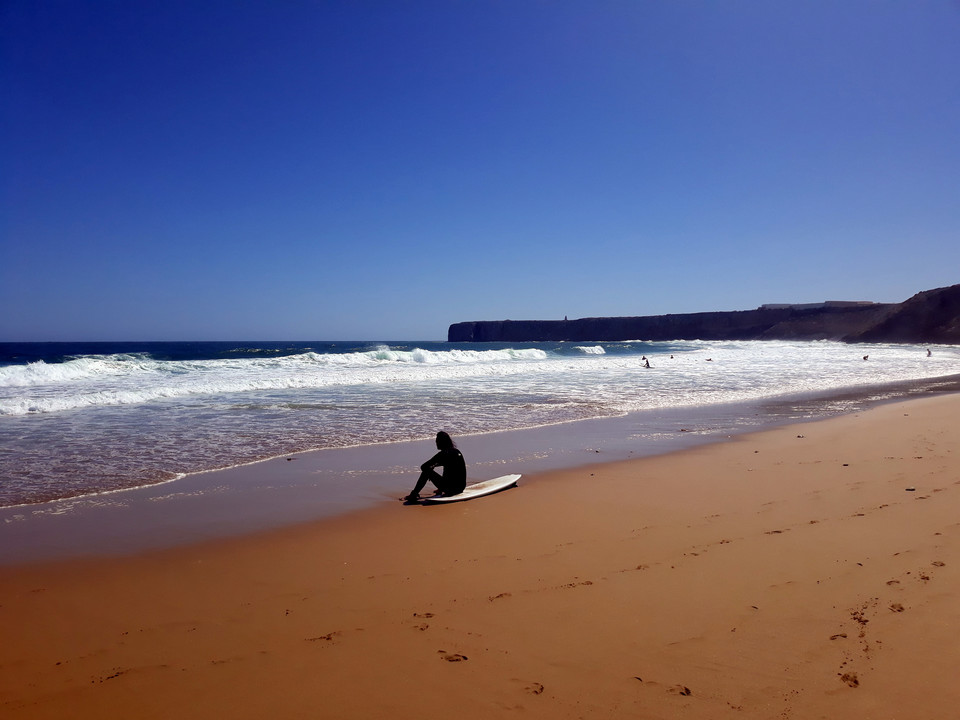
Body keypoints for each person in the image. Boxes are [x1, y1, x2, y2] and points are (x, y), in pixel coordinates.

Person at [403, 431, 466, 503]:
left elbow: (423, 466)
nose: (436, 443)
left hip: (451, 489)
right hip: (461, 488)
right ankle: (441, 489)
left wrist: (432, 467)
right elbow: (452, 470)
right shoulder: (456, 452)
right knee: (448, 468)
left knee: (426, 470)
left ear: (441, 442)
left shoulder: (443, 454)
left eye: (437, 441)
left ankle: (414, 494)